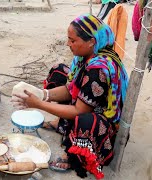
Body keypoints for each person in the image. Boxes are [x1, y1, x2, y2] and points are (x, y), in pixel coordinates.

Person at [12, 14, 128, 179]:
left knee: (84, 121)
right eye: (68, 39)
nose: (68, 44)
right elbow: (70, 88)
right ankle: (62, 124)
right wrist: (42, 94)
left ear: (91, 42)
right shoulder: (85, 57)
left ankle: (75, 155)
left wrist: (37, 104)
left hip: (102, 124)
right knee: (58, 71)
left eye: (73, 41)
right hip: (87, 102)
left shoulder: (99, 69)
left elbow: (79, 111)